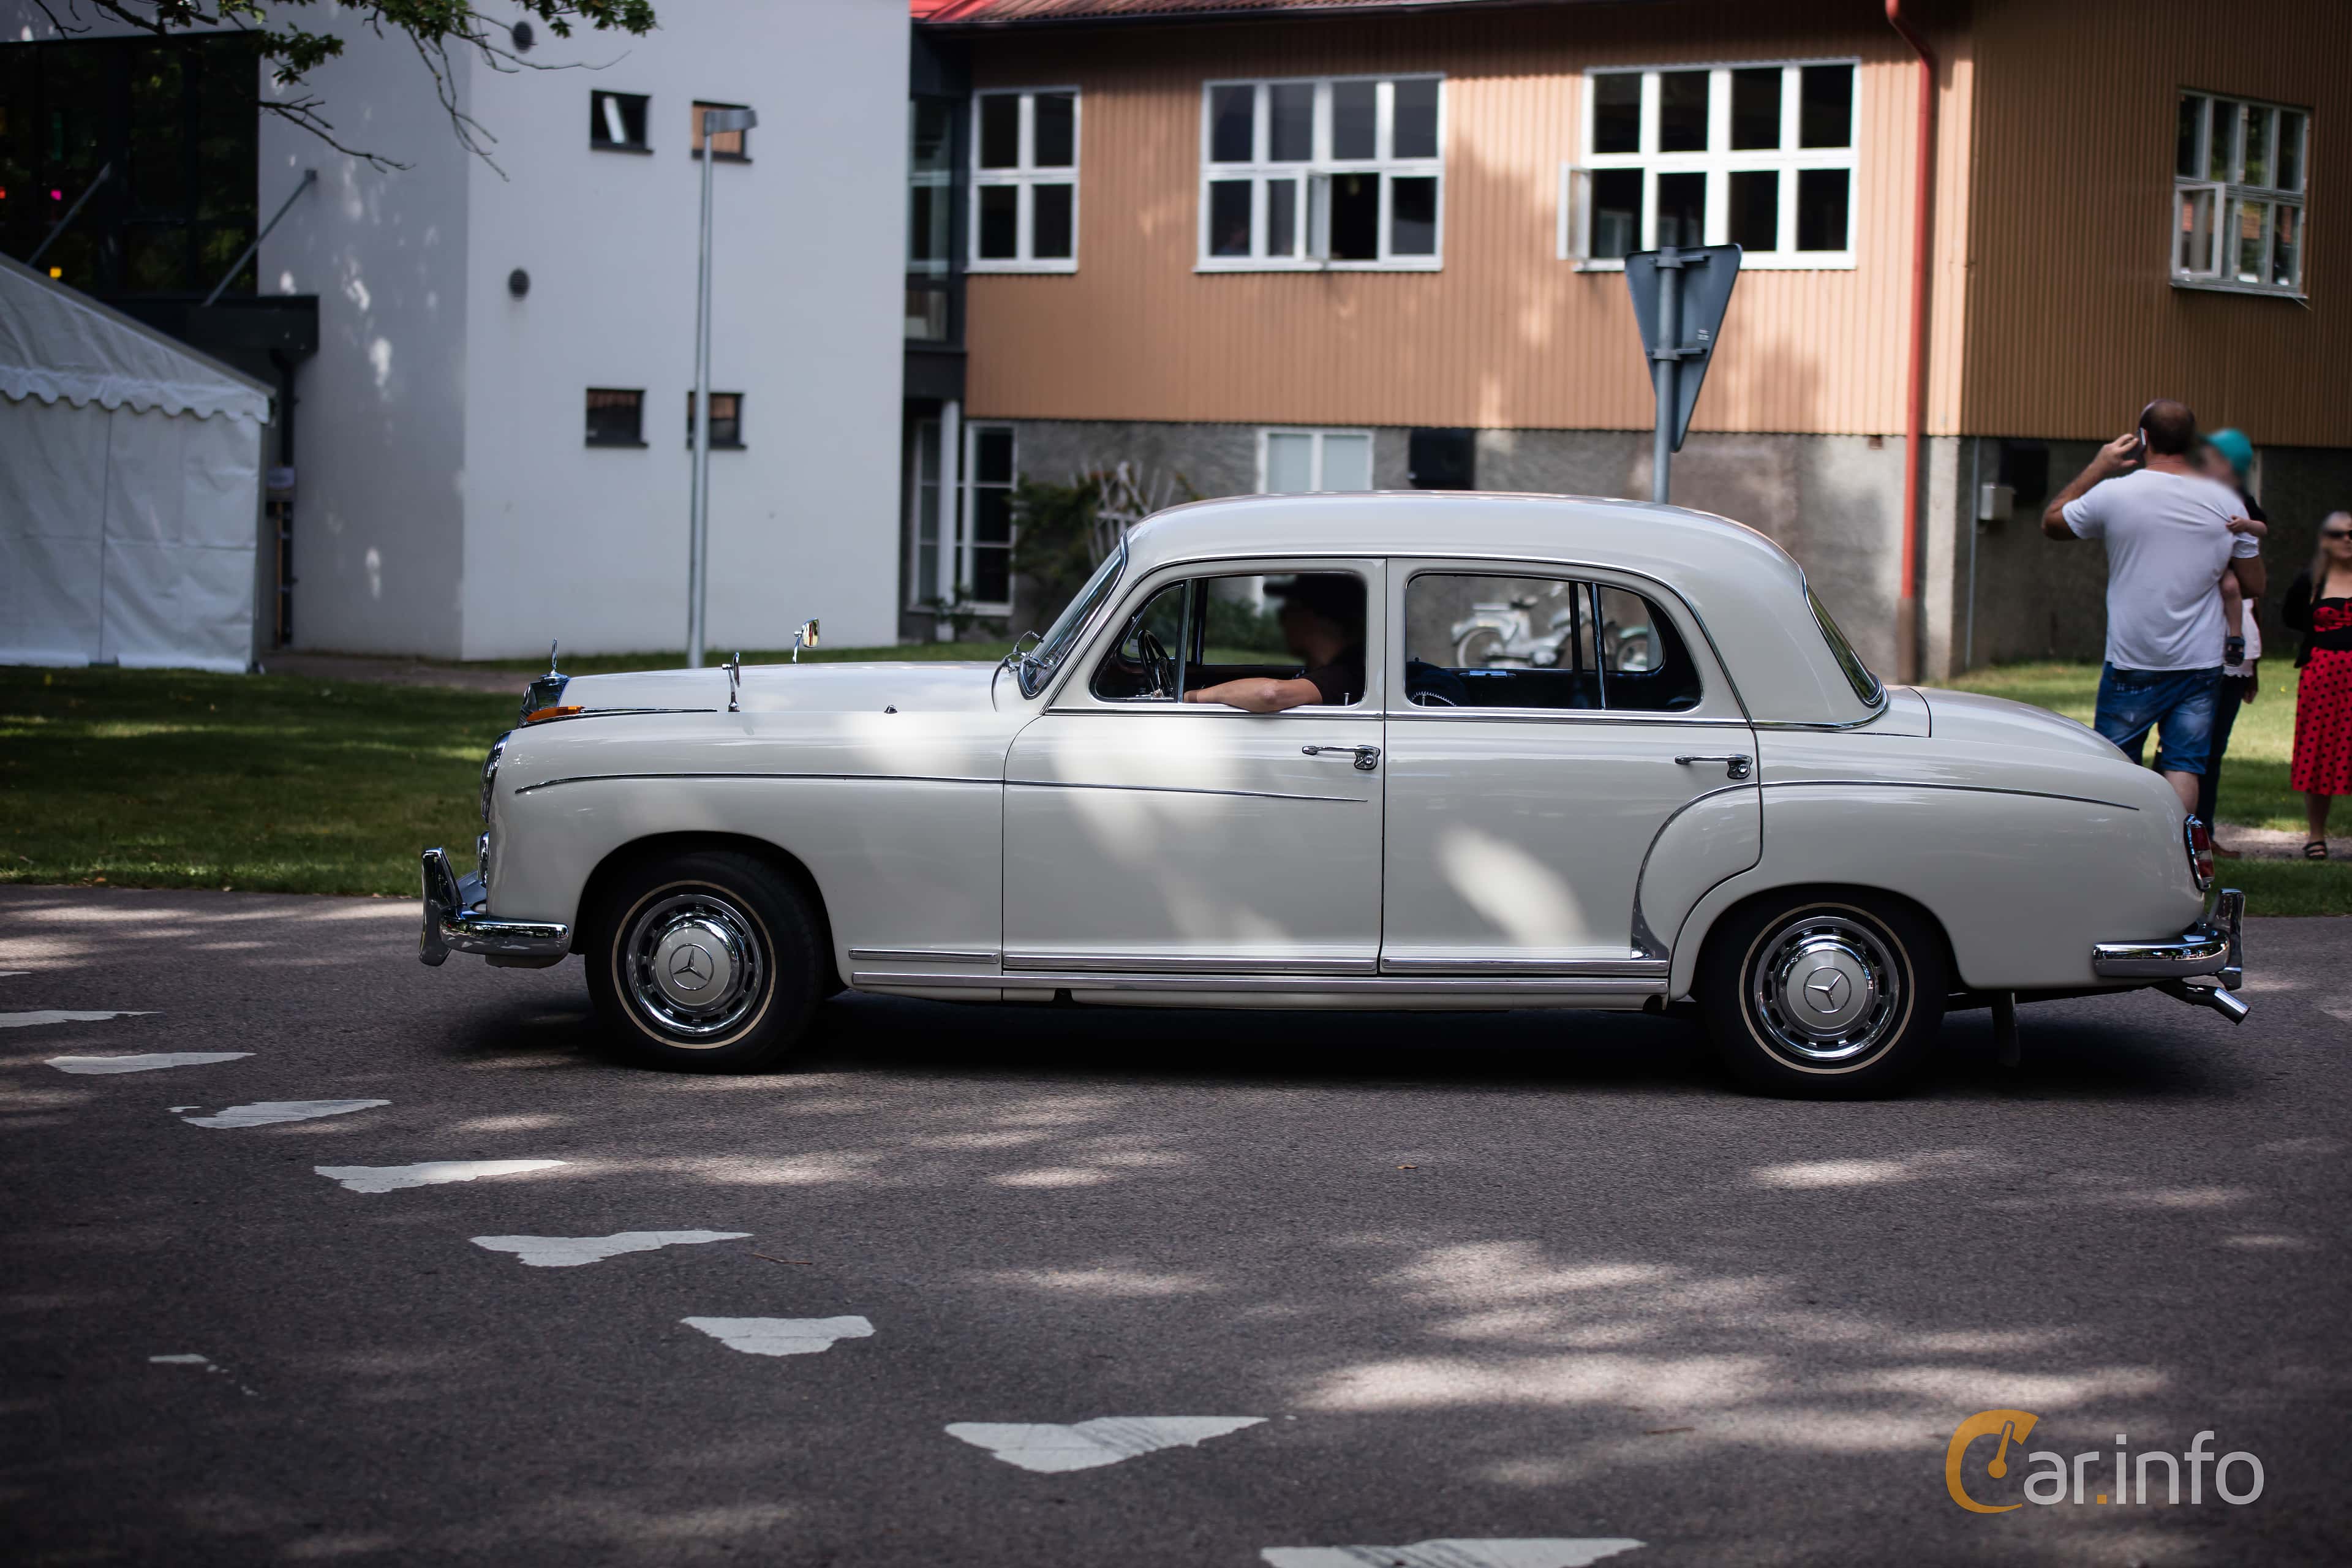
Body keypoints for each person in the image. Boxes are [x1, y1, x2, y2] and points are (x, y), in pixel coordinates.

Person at [2041, 400, 2266, 817]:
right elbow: (2255, 585)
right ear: (2193, 442)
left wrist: (2100, 466)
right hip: (2200, 662)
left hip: (2133, 657)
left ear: (2144, 439)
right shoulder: (2225, 501)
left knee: (2114, 766)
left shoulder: (2114, 493)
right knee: (2184, 765)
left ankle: (2117, 853)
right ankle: (2177, 856)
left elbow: (2052, 523)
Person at [2195, 432, 2268, 849]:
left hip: (2236, 654)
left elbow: (2255, 592)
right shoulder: (2188, 501)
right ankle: (2178, 833)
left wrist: (2254, 665)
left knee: (2212, 751)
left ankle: (2203, 835)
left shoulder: (2240, 510)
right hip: (2197, 649)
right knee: (2184, 749)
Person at [1185, 574, 1365, 711]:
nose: (1282, 619)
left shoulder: (1346, 674)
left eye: (1291, 610)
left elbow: (1270, 694)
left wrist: (1192, 697)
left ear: (1317, 619)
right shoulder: (1326, 668)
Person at [2281, 510, 2352, 858]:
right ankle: (2316, 836)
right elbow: (2291, 617)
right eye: (2340, 534)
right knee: (2319, 753)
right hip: (2322, 678)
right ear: (2326, 539)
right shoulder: (2311, 580)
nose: (2348, 539)